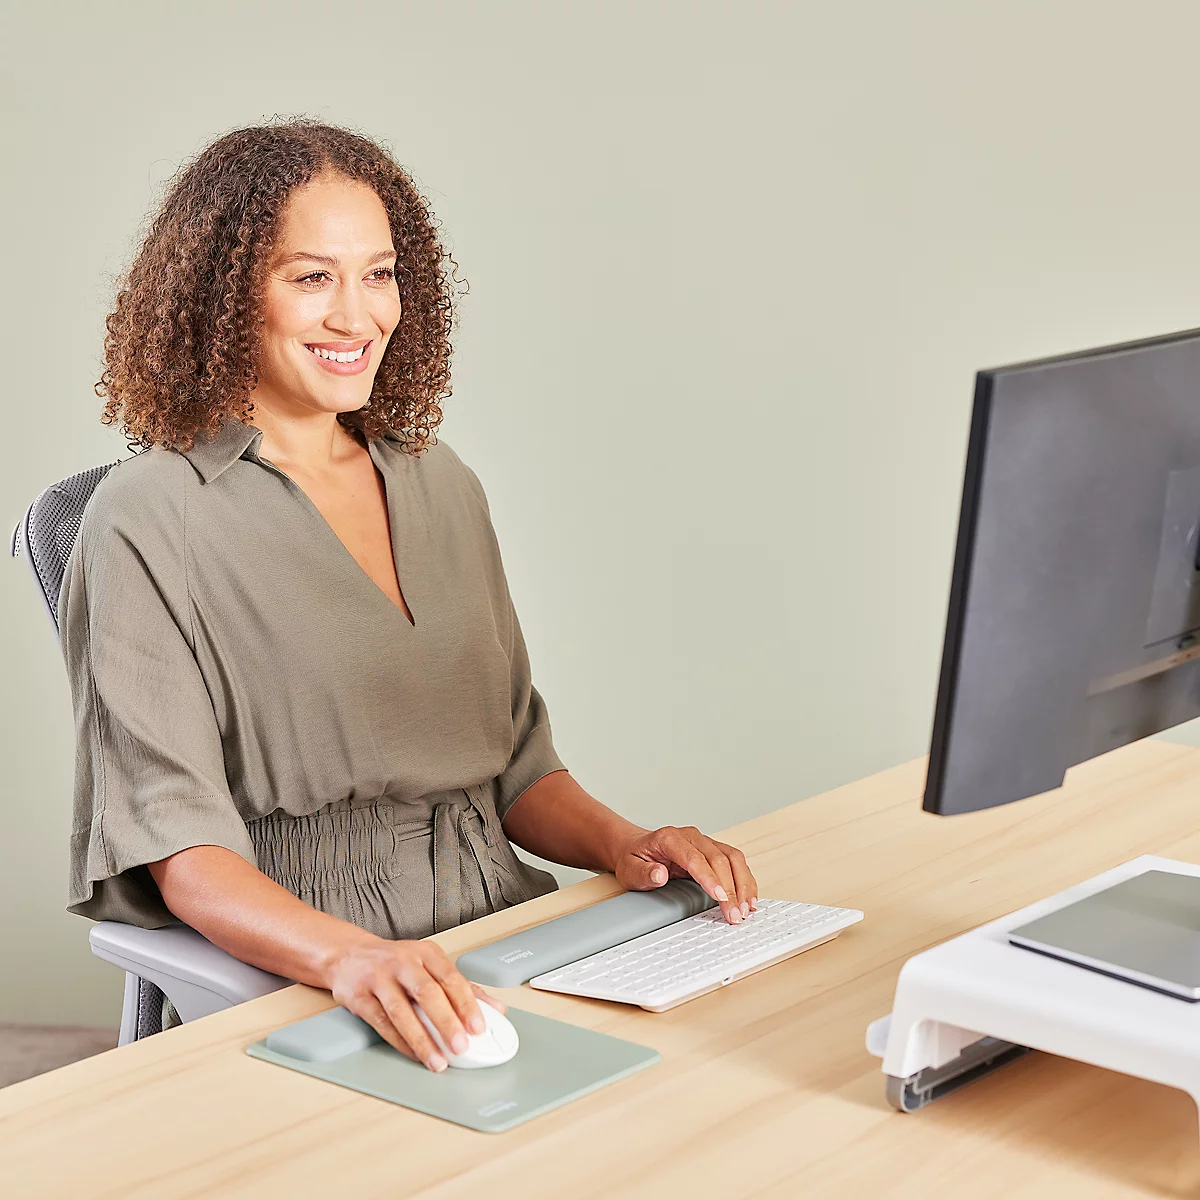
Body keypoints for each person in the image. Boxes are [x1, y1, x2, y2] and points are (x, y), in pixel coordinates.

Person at [59, 118, 758, 1073]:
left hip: (503, 930)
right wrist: (350, 958)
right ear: (225, 295)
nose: (358, 317)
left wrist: (635, 844)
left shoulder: (442, 483)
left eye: (379, 274)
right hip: (310, 958)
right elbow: (183, 855)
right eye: (311, 277)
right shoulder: (146, 517)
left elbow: (517, 773)